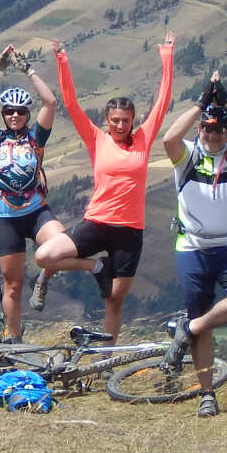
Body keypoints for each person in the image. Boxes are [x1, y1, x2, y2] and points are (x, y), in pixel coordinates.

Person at [34, 33, 174, 337]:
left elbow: (163, 100)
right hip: (97, 222)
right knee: (44, 256)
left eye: (125, 120)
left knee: (114, 299)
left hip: (130, 231)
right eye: (115, 120)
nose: (121, 126)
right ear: (106, 120)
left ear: (133, 120)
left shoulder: (144, 139)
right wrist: (61, 58)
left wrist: (167, 55)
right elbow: (69, 104)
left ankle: (105, 362)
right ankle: (93, 267)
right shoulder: (97, 138)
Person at [160, 73, 227, 418]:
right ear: (200, 130)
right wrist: (199, 103)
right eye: (207, 129)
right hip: (191, 248)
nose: (213, 135)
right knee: (201, 317)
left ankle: (187, 330)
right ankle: (207, 395)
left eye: (219, 130)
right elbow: (169, 137)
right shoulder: (187, 155)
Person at [0, 43, 63, 341]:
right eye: (8, 111)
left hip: (36, 210)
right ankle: (14, 340)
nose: (14, 115)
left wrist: (28, 70)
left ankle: (44, 278)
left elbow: (50, 103)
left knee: (61, 244)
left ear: (26, 113)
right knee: (12, 286)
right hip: (6, 216)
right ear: (3, 113)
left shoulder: (36, 137)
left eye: (20, 111)